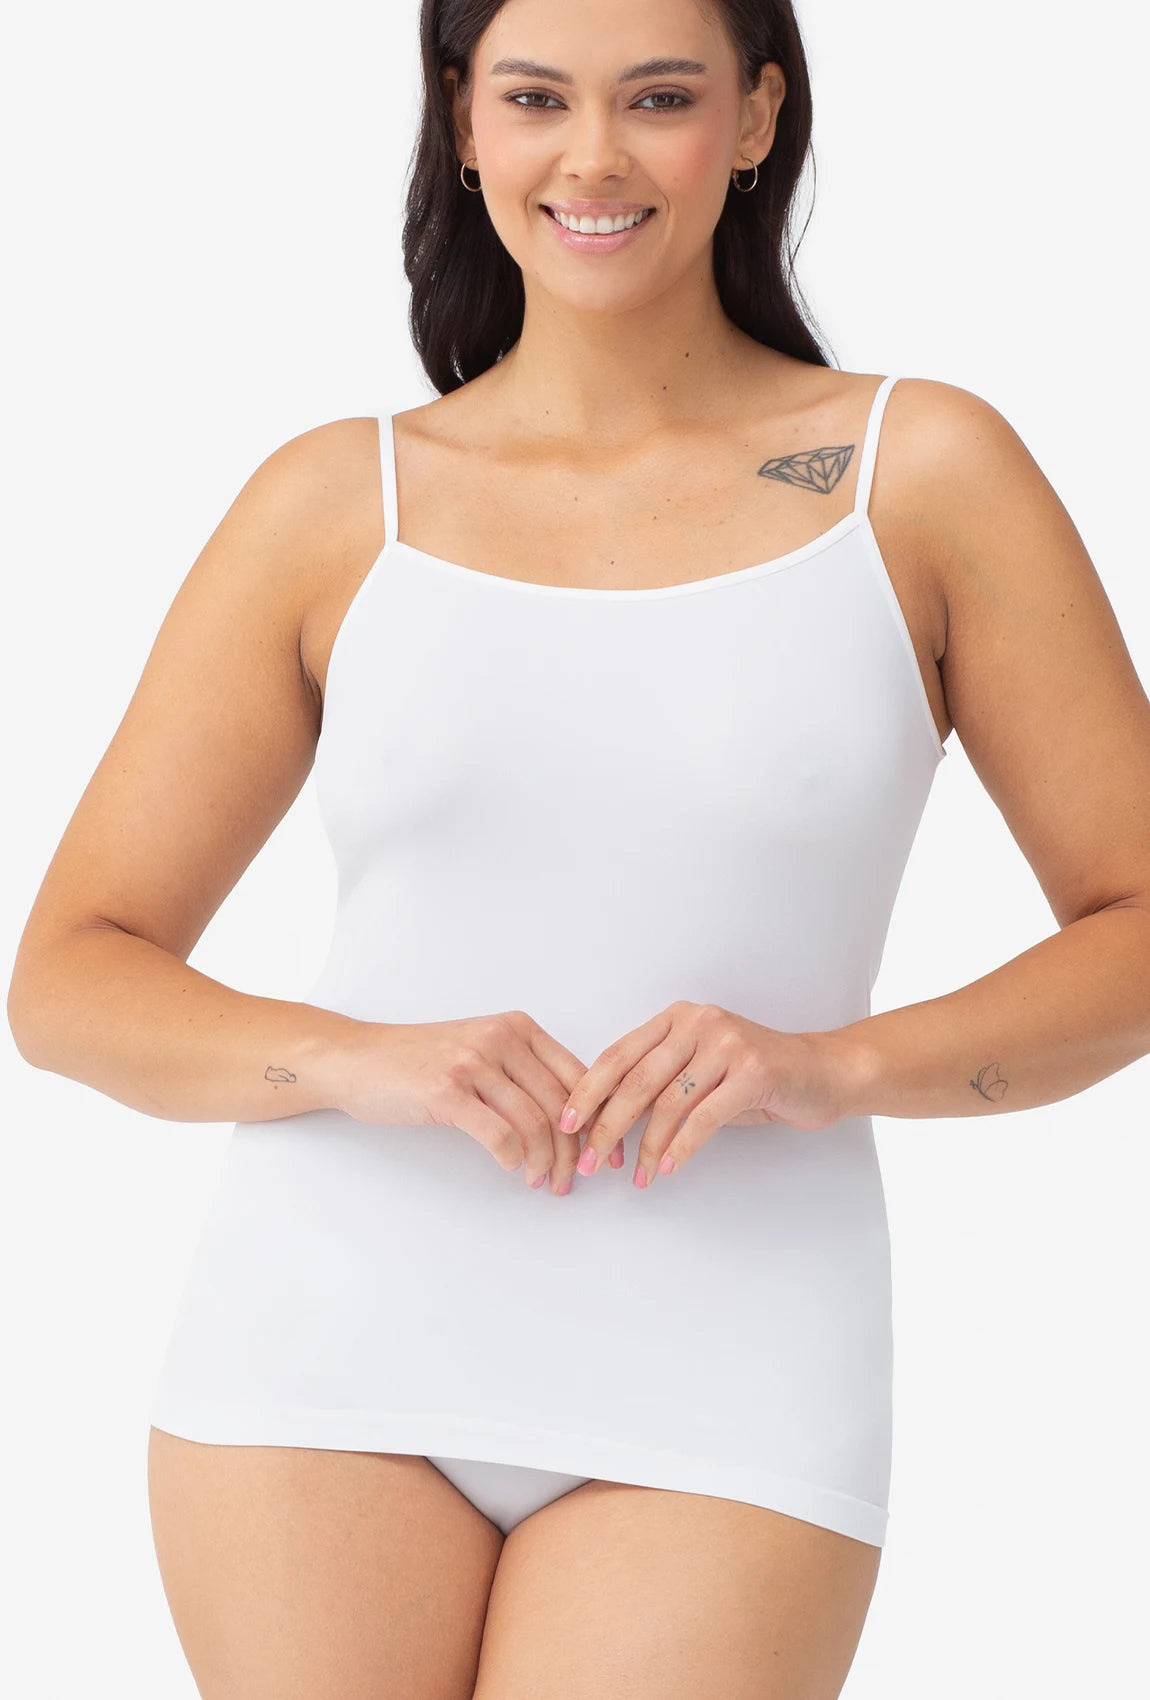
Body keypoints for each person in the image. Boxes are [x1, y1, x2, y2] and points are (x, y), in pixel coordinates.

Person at [9, 0, 1150, 1695]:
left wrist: (832, 1066)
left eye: (659, 98)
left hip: (733, 1352)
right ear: (464, 122)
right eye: (536, 98)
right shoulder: (335, 504)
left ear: (753, 119)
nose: (593, 157)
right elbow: (69, 974)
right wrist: (355, 1059)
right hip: (323, 1340)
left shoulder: (918, 475)